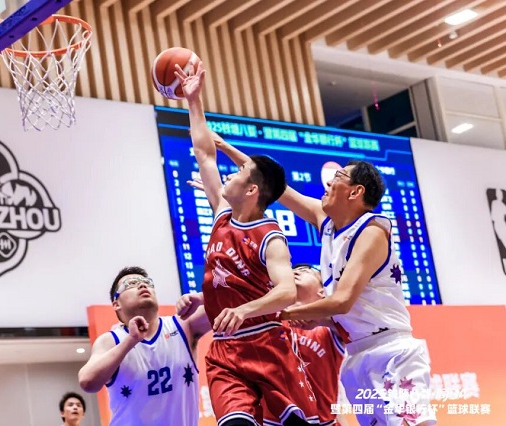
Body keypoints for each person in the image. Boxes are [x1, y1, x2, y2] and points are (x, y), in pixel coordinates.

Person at [211, 136, 436, 426]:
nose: (328, 183)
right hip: (356, 356)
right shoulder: (327, 222)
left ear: (355, 192)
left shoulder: (371, 231)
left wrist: (280, 313)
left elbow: (342, 302)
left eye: (338, 177)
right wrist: (226, 148)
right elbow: (276, 186)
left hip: (391, 351)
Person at [175, 62, 314, 426]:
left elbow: (286, 291)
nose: (230, 173)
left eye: (238, 171)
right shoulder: (222, 213)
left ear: (252, 190)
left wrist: (243, 310)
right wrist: (194, 100)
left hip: (269, 346)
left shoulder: (271, 237)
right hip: (226, 351)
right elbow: (205, 153)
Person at [78, 266, 210, 426]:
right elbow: (87, 382)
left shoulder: (183, 325)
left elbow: (232, 301)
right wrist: (131, 340)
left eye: (147, 282)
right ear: (116, 304)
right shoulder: (111, 341)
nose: (142, 285)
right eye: (131, 284)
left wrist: (201, 298)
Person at [262, 265, 346, 426]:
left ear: (323, 292)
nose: (295, 271)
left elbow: (348, 322)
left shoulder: (328, 328)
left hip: (322, 422)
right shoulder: (266, 321)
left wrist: (312, 315)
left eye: (306, 270)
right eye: (291, 271)